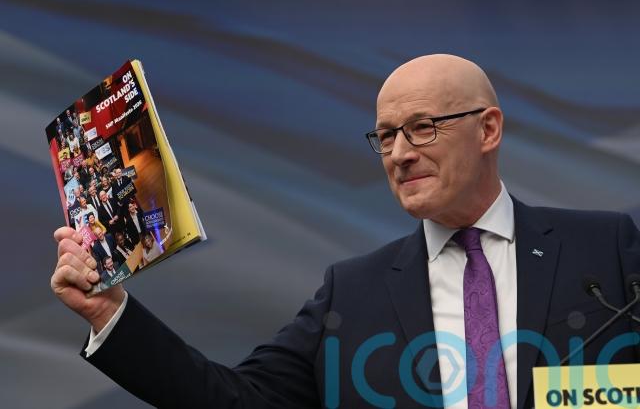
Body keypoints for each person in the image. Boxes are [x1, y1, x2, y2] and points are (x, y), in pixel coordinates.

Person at [51, 54, 640, 408]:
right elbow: (234, 400)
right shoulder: (351, 295)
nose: (400, 153)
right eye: (385, 136)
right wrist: (109, 314)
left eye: (423, 128)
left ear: (488, 130)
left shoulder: (605, 251)